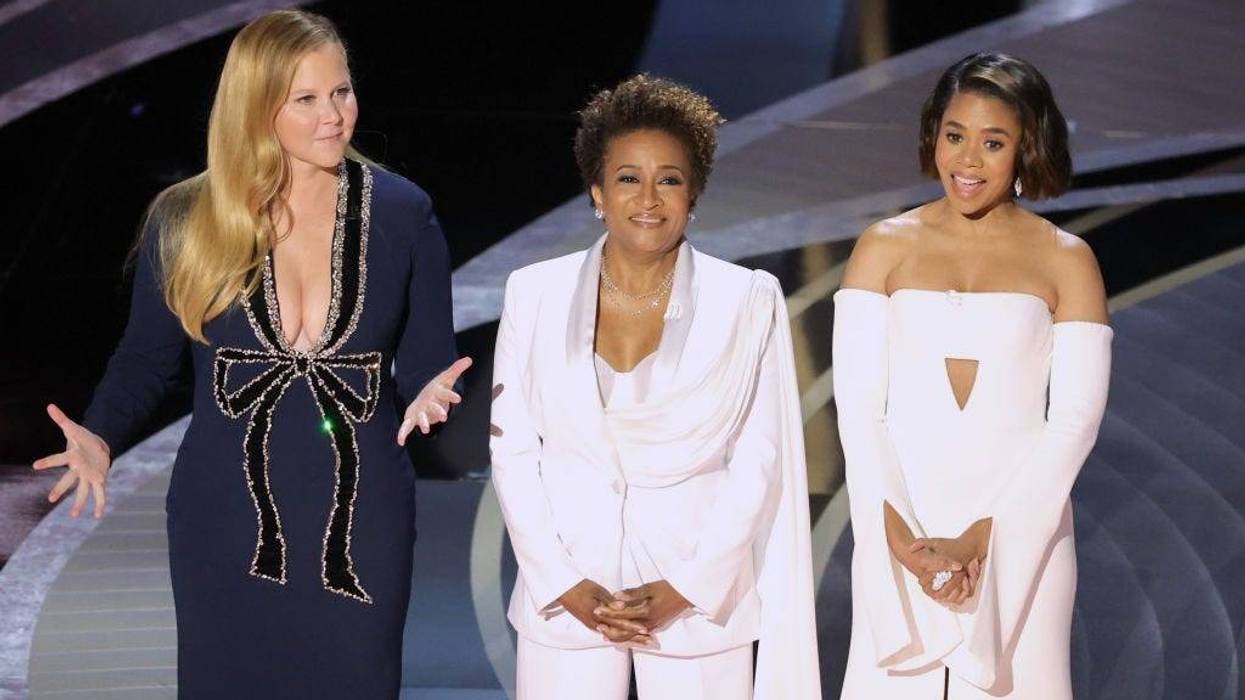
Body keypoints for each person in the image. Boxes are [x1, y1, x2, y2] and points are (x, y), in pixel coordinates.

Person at [31, 10, 468, 697]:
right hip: (222, 517)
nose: (334, 116)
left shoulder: (402, 211)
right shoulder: (186, 218)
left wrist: (428, 392)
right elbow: (148, 359)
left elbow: (426, 358)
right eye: (307, 99)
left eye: (342, 92)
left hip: (360, 518)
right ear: (257, 108)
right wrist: (101, 435)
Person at [488, 74, 821, 699]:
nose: (648, 197)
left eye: (668, 178)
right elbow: (513, 451)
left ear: (693, 194)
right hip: (565, 596)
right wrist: (560, 581)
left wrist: (689, 586)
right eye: (627, 178)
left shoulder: (746, 298)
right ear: (597, 192)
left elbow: (761, 456)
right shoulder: (533, 292)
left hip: (696, 601)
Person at [833, 52, 1113, 699]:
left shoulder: (1066, 259)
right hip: (900, 527)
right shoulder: (883, 245)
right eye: (954, 135)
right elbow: (858, 409)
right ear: (933, 132)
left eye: (993, 143)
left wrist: (984, 538)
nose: (966, 160)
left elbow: (1073, 421)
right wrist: (903, 539)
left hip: (1023, 531)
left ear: (1026, 148)